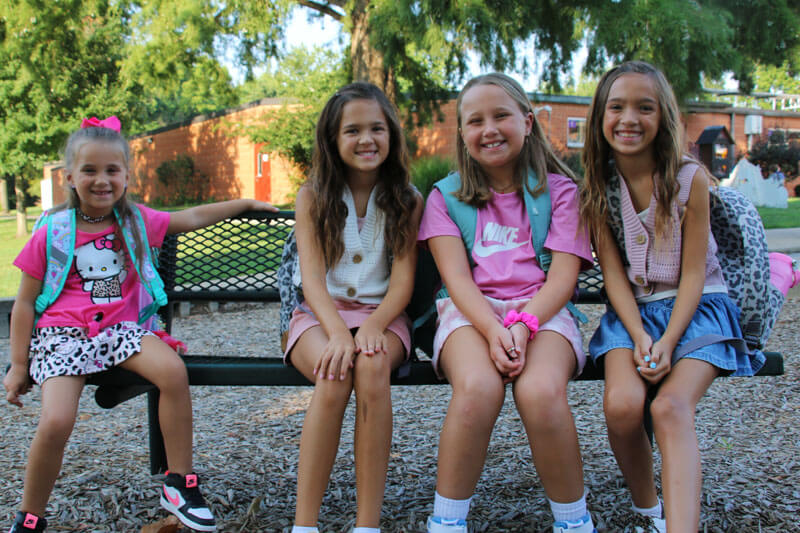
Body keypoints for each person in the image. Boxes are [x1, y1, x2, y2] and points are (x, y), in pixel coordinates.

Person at [3, 116, 277, 533]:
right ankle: (30, 516)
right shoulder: (52, 232)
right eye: (89, 170)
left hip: (121, 331)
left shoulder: (136, 222)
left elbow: (192, 216)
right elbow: (24, 304)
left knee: (172, 371)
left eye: (112, 170)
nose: (102, 180)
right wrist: (19, 365)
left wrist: (245, 203)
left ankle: (179, 483)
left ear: (127, 176)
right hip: (63, 336)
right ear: (70, 177)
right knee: (56, 420)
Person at [579, 61, 766, 532]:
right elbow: (613, 275)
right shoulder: (598, 185)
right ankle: (651, 514)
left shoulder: (689, 178)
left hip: (697, 310)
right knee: (622, 407)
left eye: (645, 108)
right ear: (600, 116)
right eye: (617, 107)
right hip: (632, 316)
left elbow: (695, 273)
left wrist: (667, 341)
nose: (629, 119)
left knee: (669, 407)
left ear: (663, 116)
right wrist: (641, 335)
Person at [419, 73, 597, 533]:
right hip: (470, 313)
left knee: (540, 392)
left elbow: (562, 279)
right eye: (475, 121)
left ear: (528, 122)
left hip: (544, 310)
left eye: (501, 115)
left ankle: (574, 522)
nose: (489, 129)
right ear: (462, 132)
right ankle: (447, 522)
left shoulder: (561, 193)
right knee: (478, 388)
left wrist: (522, 324)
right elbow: (456, 280)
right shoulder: (444, 197)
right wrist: (494, 328)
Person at [285, 82, 422, 533]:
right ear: (332, 139)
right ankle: (304, 524)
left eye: (377, 128)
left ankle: (367, 525)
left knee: (372, 366)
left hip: (383, 317)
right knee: (334, 372)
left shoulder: (407, 199)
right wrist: (338, 333)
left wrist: (375, 325)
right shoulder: (313, 197)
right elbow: (311, 281)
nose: (367, 139)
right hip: (319, 316)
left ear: (392, 134)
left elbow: (402, 282)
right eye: (353, 130)